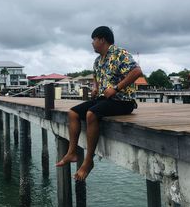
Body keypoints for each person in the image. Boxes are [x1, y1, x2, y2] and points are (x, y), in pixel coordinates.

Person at [56, 26, 143, 181]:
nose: (92, 43)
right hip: (105, 100)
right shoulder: (98, 61)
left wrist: (116, 88)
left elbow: (137, 71)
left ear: (102, 39)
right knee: (73, 113)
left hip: (123, 101)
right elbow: (96, 77)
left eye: (93, 40)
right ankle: (72, 152)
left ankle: (88, 161)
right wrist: (96, 87)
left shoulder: (119, 54)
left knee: (91, 114)